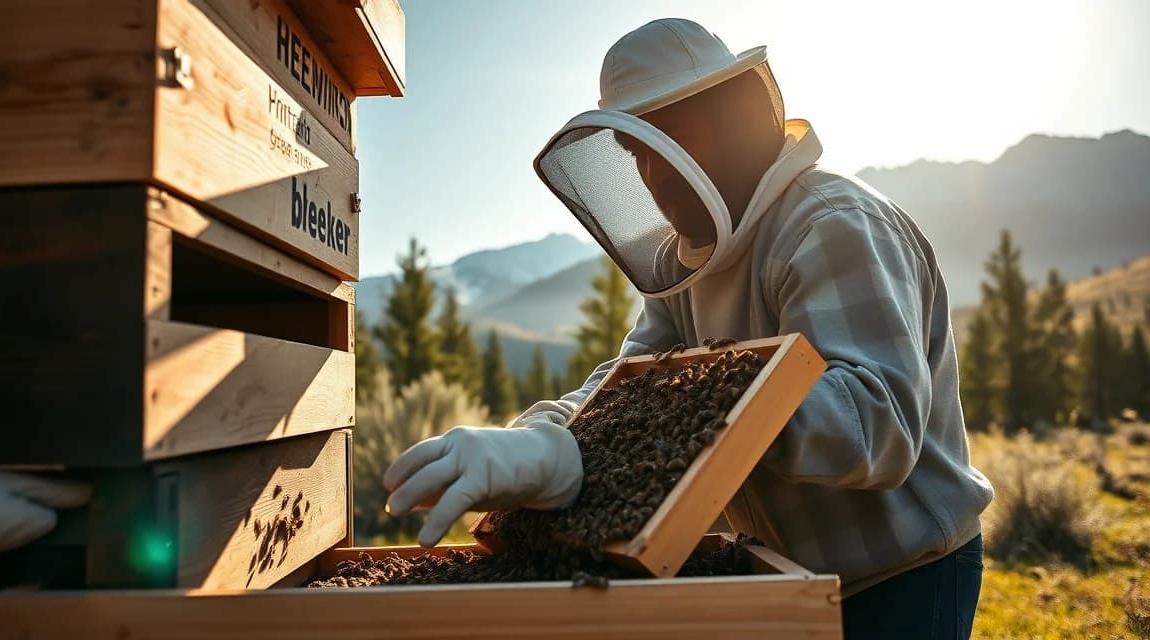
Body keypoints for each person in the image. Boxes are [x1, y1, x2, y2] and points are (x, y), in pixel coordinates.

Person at [383, 18, 993, 639]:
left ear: (738, 113)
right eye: (636, 152)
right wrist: (542, 438)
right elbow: (630, 385)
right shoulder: (687, 261)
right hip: (786, 572)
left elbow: (873, 427)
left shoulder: (830, 224)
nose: (652, 173)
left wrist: (675, 421)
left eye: (670, 136)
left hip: (901, 573)